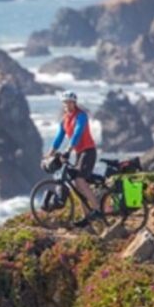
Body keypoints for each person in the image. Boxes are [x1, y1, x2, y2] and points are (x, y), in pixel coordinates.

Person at [47, 90, 102, 226]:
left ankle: (97, 209)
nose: (67, 105)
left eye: (70, 102)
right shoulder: (65, 120)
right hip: (79, 153)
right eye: (65, 103)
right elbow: (59, 137)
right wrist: (51, 153)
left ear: (74, 103)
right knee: (76, 185)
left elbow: (77, 133)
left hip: (88, 151)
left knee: (79, 179)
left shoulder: (81, 116)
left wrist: (69, 149)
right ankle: (87, 217)